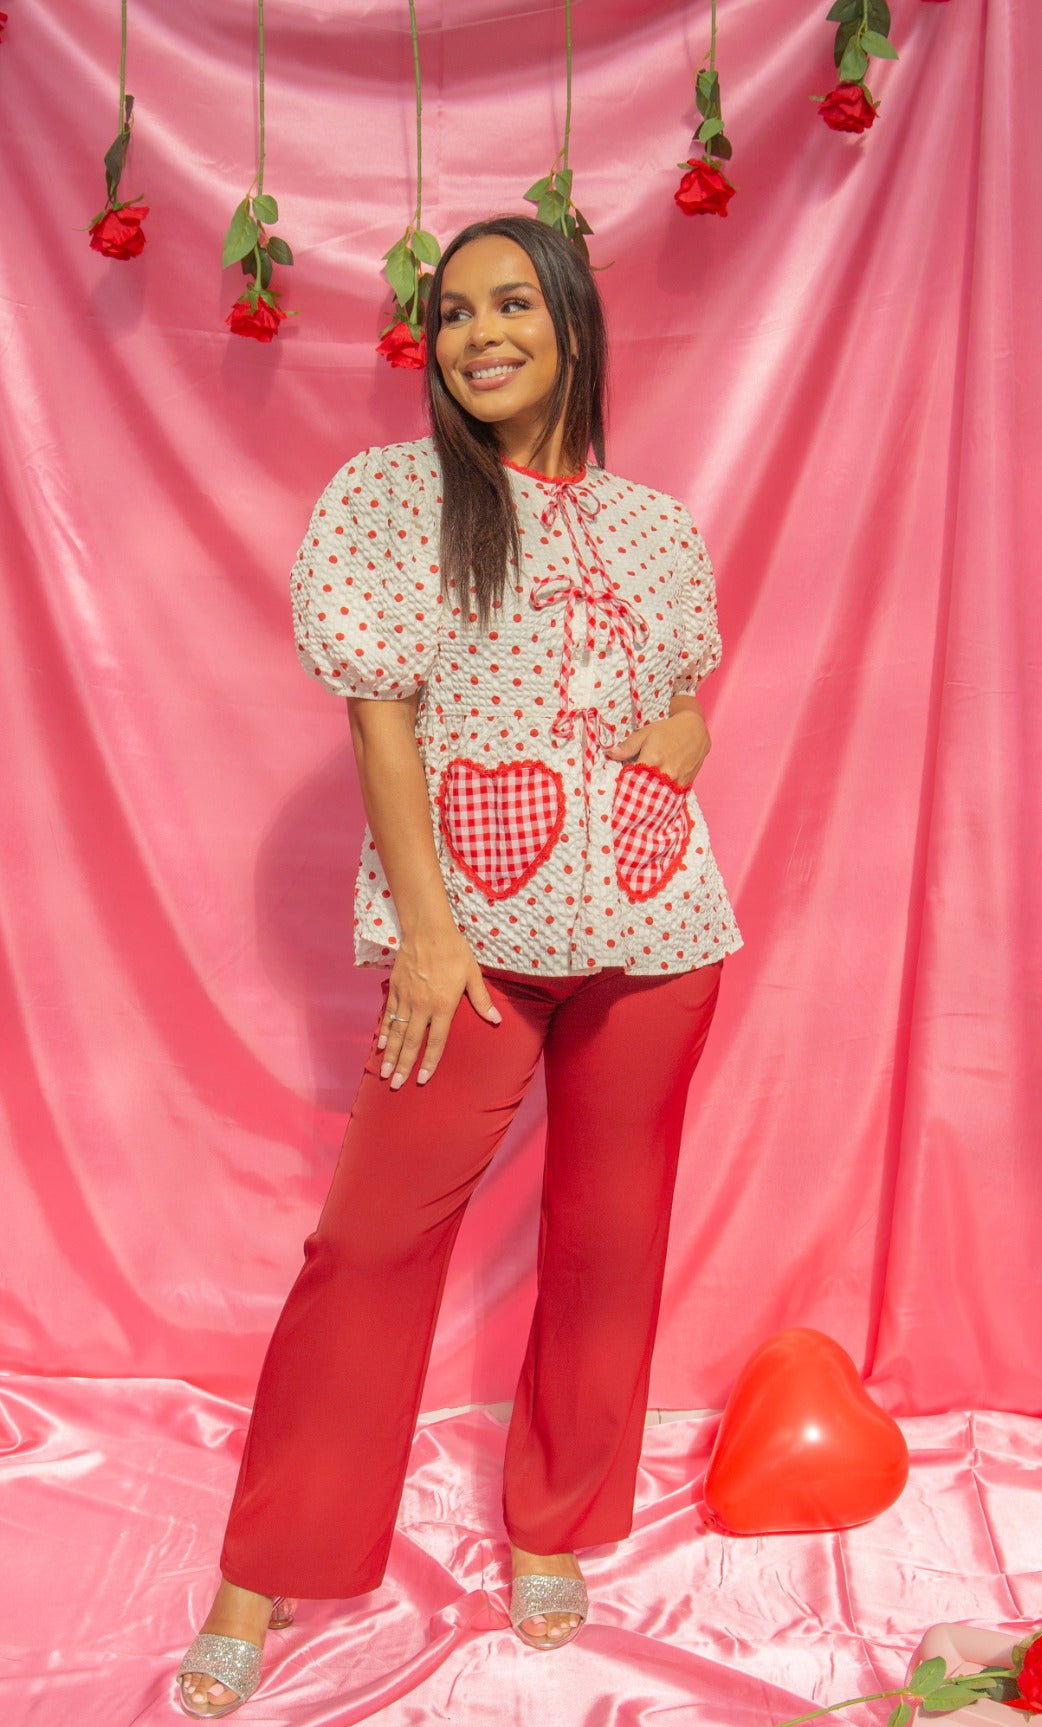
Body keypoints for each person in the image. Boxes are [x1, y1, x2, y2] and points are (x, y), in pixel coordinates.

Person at [177, 214, 742, 1718]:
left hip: (657, 932)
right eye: (452, 310)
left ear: (569, 321)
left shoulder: (657, 527)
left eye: (510, 303)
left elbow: (678, 690)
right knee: (369, 1244)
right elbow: (380, 719)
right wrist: (427, 932)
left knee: (609, 1239)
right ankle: (266, 1562)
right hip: (472, 942)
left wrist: (689, 732)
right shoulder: (395, 499)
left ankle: (557, 1520)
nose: (478, 331)